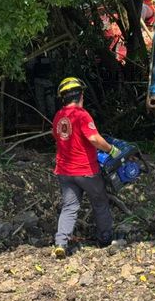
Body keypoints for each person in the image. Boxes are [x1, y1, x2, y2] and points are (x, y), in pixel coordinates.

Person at [51, 77, 120, 259]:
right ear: (81, 95)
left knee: (70, 207)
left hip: (65, 172)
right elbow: (94, 139)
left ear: (63, 98)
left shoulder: (59, 116)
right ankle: (105, 240)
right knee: (100, 202)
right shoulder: (82, 115)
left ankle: (61, 243)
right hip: (86, 170)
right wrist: (111, 149)